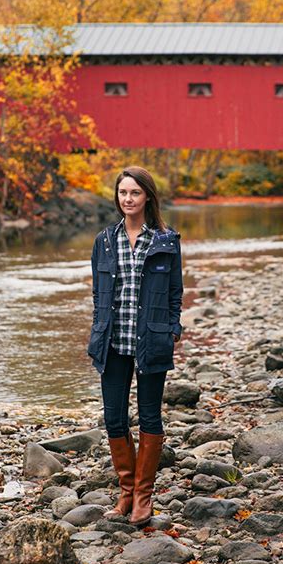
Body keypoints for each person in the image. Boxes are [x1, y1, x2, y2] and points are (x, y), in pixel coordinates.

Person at [87, 166, 183, 526]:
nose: (128, 199)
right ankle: (125, 492)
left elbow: (176, 291)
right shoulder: (104, 241)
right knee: (113, 418)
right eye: (123, 193)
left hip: (151, 339)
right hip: (112, 341)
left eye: (135, 193)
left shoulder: (165, 240)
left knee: (150, 417)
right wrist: (98, 326)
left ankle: (143, 496)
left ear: (148, 198)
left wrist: (172, 327)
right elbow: (99, 293)